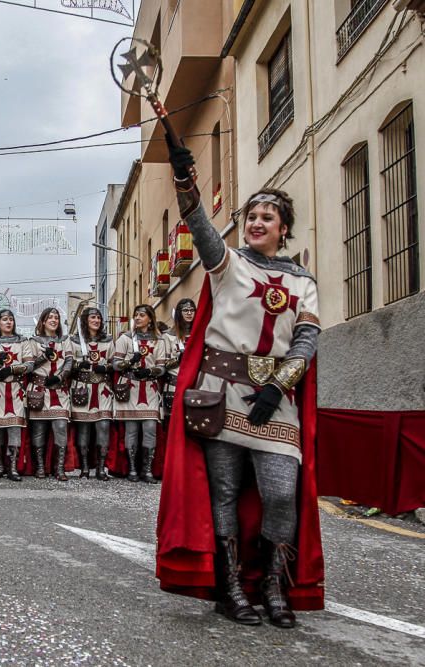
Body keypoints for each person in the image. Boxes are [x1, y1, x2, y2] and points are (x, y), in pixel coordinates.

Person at [157, 139, 323, 627]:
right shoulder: (227, 263)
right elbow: (197, 222)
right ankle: (230, 589)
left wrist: (278, 387)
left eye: (267, 217)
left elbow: (307, 339)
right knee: (224, 494)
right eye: (252, 214)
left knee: (279, 493)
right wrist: (184, 177)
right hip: (222, 394)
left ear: (283, 229)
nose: (256, 222)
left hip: (277, 400)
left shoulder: (303, 282)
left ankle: (273, 588)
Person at [112, 304, 168, 483]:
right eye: (135, 315)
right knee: (131, 430)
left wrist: (150, 372)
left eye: (142, 315)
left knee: (150, 429)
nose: (137, 318)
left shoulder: (159, 340)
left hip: (149, 389)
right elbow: (115, 364)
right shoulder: (125, 339)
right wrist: (129, 362)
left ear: (150, 318)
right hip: (130, 388)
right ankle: (133, 469)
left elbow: (161, 367)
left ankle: (148, 470)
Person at [0, 309, 31, 482]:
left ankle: (13, 467)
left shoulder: (23, 341)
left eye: (11, 319)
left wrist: (11, 369)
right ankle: (0, 465)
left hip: (15, 390)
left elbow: (30, 364)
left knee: (14, 427)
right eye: (4, 319)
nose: (8, 322)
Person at [28, 307, 74, 481]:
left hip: (59, 389)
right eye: (50, 318)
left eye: (56, 317)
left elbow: (69, 361)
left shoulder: (64, 340)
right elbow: (29, 366)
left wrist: (60, 377)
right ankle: (40, 467)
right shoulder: (33, 342)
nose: (54, 320)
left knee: (61, 428)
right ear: (43, 321)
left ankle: (59, 468)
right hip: (39, 389)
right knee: (39, 430)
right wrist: (43, 357)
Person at [70, 307, 114, 480]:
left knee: (103, 427)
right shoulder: (74, 341)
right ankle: (85, 468)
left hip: (102, 388)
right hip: (82, 388)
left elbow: (114, 362)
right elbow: (68, 363)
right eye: (93, 317)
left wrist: (106, 367)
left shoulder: (108, 340)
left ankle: (101, 469)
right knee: (84, 430)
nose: (96, 320)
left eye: (98, 317)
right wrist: (77, 365)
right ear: (85, 320)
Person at [161, 298, 196, 422]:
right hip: (174, 383)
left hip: (195, 383)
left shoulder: (199, 335)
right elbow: (163, 364)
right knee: (173, 422)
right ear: (179, 313)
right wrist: (178, 359)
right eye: (185, 310)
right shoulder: (168, 336)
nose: (189, 313)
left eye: (192, 310)